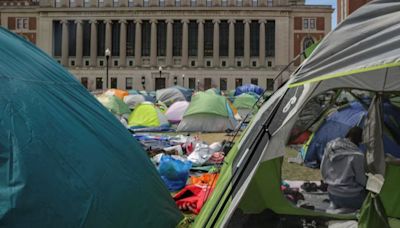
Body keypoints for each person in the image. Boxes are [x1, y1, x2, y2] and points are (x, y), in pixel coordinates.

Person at [321, 126, 367, 211]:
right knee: (370, 198)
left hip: (332, 193)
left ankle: (337, 206)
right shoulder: (358, 156)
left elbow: (323, 170)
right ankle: (347, 209)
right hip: (351, 197)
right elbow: (362, 180)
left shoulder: (329, 147)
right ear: (361, 140)